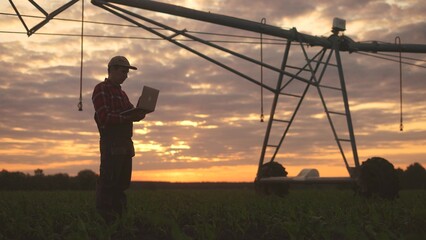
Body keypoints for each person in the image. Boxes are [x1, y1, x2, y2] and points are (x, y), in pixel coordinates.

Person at [92, 56, 145, 222]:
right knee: (108, 184)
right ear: (112, 70)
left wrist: (139, 113)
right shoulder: (101, 89)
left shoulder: (122, 93)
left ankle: (120, 220)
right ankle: (105, 222)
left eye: (127, 72)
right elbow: (105, 117)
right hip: (111, 143)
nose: (126, 76)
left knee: (121, 185)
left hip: (125, 143)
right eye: (123, 71)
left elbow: (129, 112)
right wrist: (128, 118)